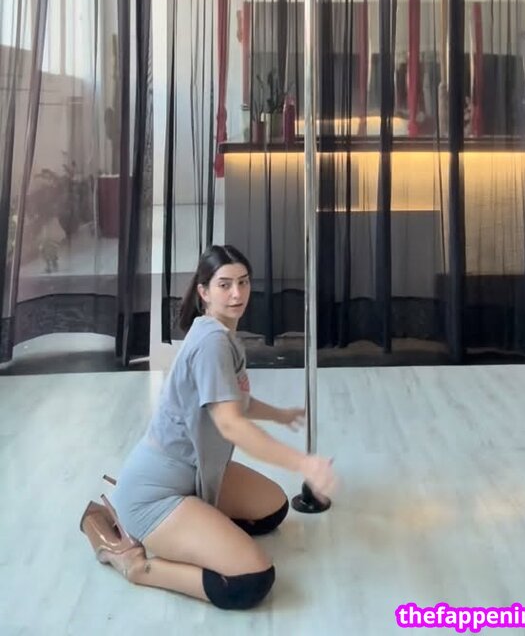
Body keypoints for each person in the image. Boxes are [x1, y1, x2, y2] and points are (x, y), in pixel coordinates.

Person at [79, 244, 337, 611]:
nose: (237, 294)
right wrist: (303, 463)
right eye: (224, 284)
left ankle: (197, 523)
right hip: (155, 495)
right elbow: (230, 424)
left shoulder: (221, 333)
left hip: (198, 474)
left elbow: (234, 400)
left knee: (273, 510)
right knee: (251, 580)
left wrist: (278, 414)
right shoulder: (212, 343)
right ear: (204, 291)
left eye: (243, 282)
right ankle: (136, 565)